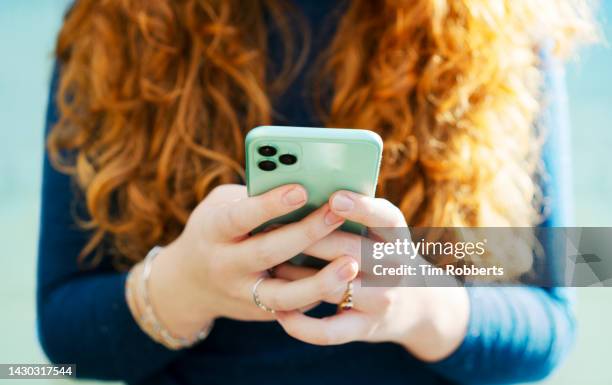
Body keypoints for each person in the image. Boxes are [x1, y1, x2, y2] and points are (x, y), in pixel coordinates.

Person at [37, 1, 593, 384]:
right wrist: (183, 286)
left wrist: (422, 305)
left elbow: (557, 309)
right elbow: (61, 329)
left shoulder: (501, 23)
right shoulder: (116, 21)